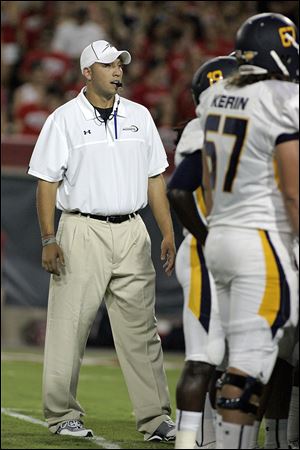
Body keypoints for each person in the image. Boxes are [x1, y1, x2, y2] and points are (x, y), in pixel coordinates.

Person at [27, 39, 177, 441]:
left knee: (141, 331)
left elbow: (155, 178)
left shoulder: (140, 116)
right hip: (81, 229)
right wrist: (48, 238)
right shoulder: (63, 119)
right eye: (108, 64)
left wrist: (166, 230)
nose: (117, 71)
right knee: (68, 327)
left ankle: (156, 418)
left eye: (120, 64)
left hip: (132, 229)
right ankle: (61, 416)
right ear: (87, 72)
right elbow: (47, 182)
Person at [196, 13, 299, 449]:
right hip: (261, 239)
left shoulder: (217, 93)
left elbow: (205, 179)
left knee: (238, 359)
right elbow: (294, 191)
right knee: (254, 363)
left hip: (220, 235)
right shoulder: (283, 98)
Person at [167, 56, 239, 449]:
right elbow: (178, 190)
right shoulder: (203, 126)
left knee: (232, 359)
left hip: (232, 249)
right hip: (205, 250)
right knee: (206, 355)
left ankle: (213, 441)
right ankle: (190, 441)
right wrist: (210, 237)